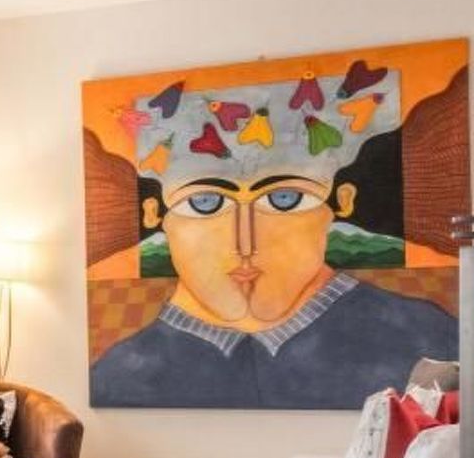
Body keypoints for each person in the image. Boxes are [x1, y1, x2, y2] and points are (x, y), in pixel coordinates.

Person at [91, 67, 457, 408]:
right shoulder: (117, 374)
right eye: (203, 203)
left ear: (343, 200)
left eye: (285, 199)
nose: (245, 244)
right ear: (153, 213)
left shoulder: (428, 339)